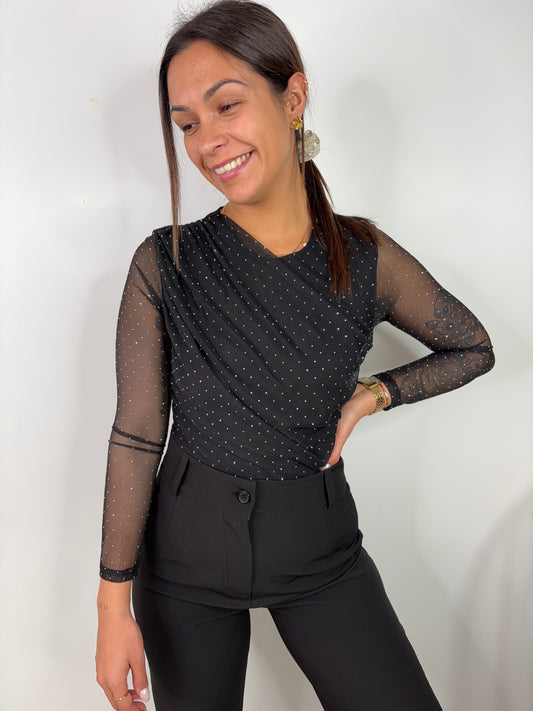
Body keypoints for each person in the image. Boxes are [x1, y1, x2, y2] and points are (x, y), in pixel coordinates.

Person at [95, 2, 494, 710]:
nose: (207, 141)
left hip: (319, 549)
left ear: (293, 98)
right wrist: (111, 609)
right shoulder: (165, 262)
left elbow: (471, 346)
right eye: (186, 124)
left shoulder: (366, 257)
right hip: (183, 561)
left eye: (226, 105)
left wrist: (372, 394)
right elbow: (136, 433)